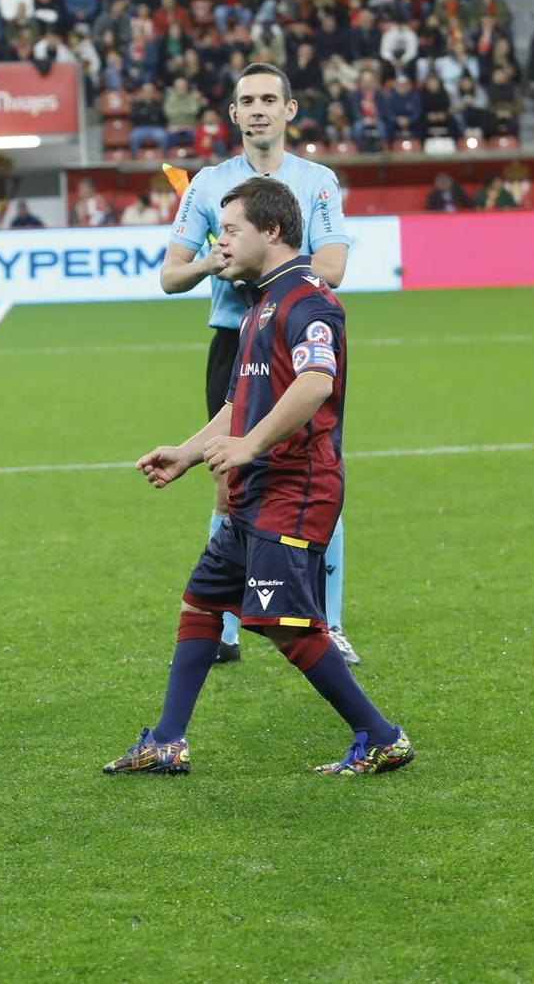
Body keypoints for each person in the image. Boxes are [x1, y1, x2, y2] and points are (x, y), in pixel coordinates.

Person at [104, 176, 414, 777]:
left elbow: (315, 382)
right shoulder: (258, 303)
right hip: (256, 491)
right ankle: (167, 741)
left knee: (285, 625)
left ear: (272, 232)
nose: (222, 242)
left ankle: (381, 737)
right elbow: (240, 403)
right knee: (201, 606)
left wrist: (249, 446)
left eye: (233, 230)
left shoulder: (307, 300)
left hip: (295, 489)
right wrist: (189, 452)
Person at [161, 63, 359, 665]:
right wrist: (209, 263)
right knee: (228, 480)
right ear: (234, 114)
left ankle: (328, 621)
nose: (259, 110)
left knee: (315, 471)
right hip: (234, 340)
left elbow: (332, 268)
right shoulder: (206, 185)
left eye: (270, 99)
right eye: (247, 100)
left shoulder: (317, 181)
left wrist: (263, 265)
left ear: (290, 110)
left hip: (297, 336)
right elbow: (172, 274)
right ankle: (222, 628)